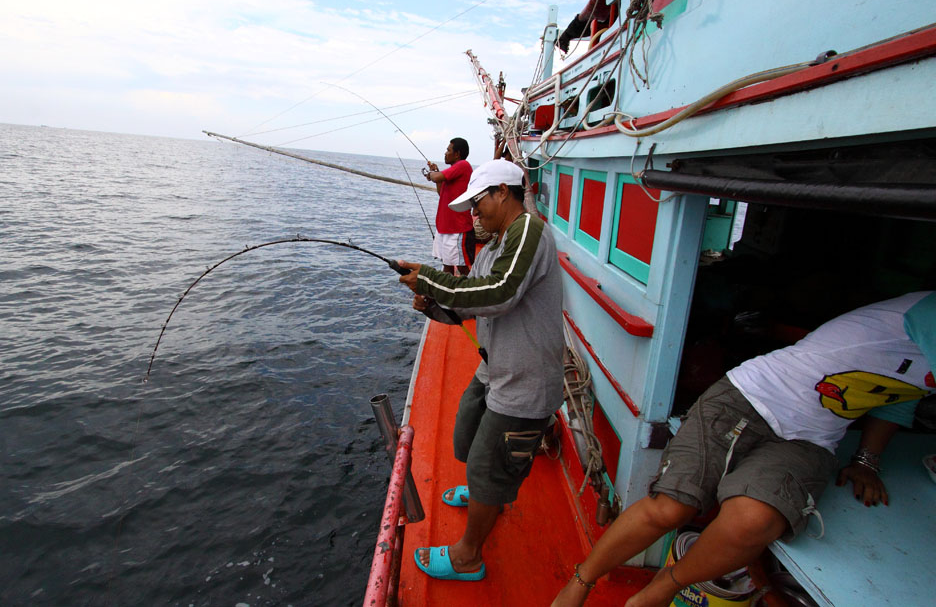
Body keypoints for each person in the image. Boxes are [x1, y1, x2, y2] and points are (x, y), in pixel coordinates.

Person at [552, 290, 935, 607]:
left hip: (811, 437)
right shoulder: (929, 312)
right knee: (672, 505)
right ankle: (582, 580)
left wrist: (867, 459)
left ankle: (663, 586)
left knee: (753, 522)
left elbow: (899, 397)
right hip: (750, 396)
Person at [397, 158, 565, 581]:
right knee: (468, 435)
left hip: (525, 382)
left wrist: (431, 280)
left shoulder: (528, 230)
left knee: (490, 464)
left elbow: (501, 292)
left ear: (503, 193)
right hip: (496, 371)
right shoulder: (493, 247)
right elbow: (471, 307)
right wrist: (435, 305)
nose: (474, 214)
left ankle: (468, 556)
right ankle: (482, 492)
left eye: (479, 203)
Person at [424, 137, 475, 275]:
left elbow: (436, 177)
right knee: (447, 266)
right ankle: (447, 293)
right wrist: (435, 173)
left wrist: (432, 174)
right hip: (445, 228)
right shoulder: (452, 172)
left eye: (448, 150)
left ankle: (470, 293)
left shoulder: (463, 165)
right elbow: (441, 192)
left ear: (457, 154)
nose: (445, 153)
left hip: (458, 228)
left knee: (462, 267)